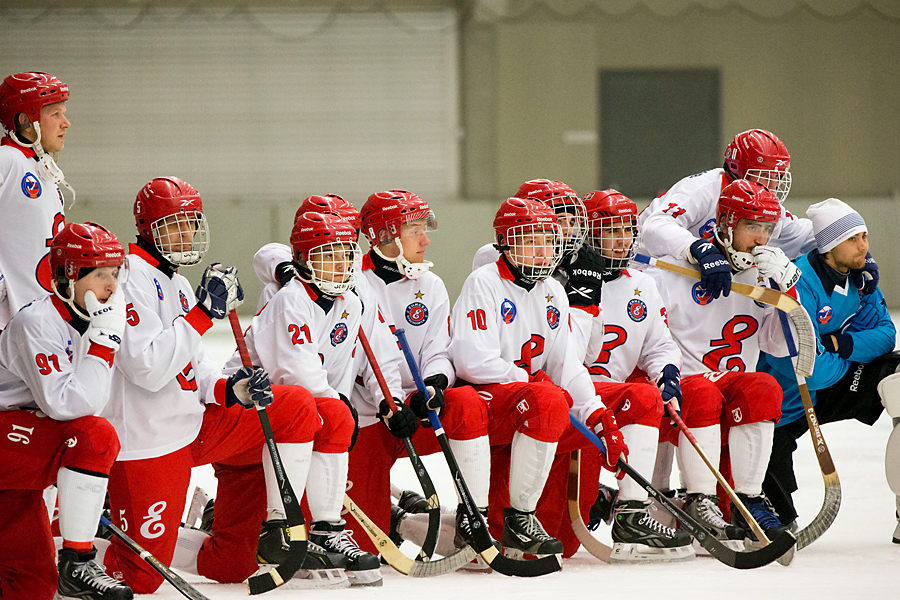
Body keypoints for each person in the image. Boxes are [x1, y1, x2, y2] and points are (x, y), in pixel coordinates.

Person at [99, 177, 322, 593]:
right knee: (144, 579)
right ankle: (78, 542)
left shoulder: (179, 283)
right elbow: (146, 367)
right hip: (151, 438)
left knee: (292, 404)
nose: (185, 234)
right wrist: (203, 313)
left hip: (196, 424)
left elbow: (196, 367)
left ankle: (278, 524)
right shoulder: (126, 277)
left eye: (191, 223)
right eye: (173, 224)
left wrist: (231, 389)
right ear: (147, 228)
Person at [448, 197, 629, 557]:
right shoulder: (483, 282)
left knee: (551, 400)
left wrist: (597, 414)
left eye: (548, 240)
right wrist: (527, 381)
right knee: (547, 399)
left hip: (523, 401)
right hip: (478, 402)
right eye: (532, 240)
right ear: (506, 243)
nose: (543, 250)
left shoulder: (553, 292)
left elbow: (566, 365)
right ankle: (474, 515)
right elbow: (470, 361)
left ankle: (520, 519)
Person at [228, 210, 386, 586]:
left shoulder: (348, 303)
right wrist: (339, 406)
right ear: (302, 259)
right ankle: (279, 528)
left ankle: (326, 529)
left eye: (346, 253)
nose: (340, 264)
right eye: (328, 255)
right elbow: (298, 376)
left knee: (334, 413)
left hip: (288, 416)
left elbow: (330, 379)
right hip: (243, 410)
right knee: (329, 410)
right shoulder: (291, 300)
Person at [643, 179, 801, 541]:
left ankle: (750, 501)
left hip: (730, 395)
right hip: (680, 392)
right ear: (726, 223)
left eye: (767, 228)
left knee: (764, 385)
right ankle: (700, 500)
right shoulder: (671, 270)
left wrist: (786, 295)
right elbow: (648, 340)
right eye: (751, 226)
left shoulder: (765, 275)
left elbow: (780, 347)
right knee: (702, 391)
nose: (761, 239)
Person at [345, 190, 490, 556]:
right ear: (383, 236)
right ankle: (387, 514)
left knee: (467, 402)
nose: (425, 239)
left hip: (418, 408)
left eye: (424, 229)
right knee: (363, 547)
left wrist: (436, 385)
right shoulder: (350, 284)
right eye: (414, 230)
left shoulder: (432, 285)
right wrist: (390, 403)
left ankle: (476, 516)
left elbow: (438, 351)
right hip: (369, 416)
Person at [560, 189, 697, 559]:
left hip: (610, 399)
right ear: (587, 232)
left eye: (626, 229)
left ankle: (630, 513)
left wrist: (667, 373)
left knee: (647, 395)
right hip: (568, 397)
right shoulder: (557, 278)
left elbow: (659, 344)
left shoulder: (643, 283)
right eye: (610, 230)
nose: (621, 239)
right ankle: (609, 499)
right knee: (563, 539)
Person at [0, 222, 131, 600]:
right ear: (66, 278)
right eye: (100, 274)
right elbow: (70, 406)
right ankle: (77, 560)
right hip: (8, 437)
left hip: (21, 447)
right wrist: (105, 342)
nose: (111, 286)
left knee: (32, 588)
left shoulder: (92, 316)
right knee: (96, 434)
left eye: (115, 273)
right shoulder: (38, 322)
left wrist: (84, 485)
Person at [758, 198, 898, 535]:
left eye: (864, 236)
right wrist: (845, 349)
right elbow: (811, 368)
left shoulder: (862, 277)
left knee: (898, 378)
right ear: (829, 245)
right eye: (853, 239)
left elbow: (885, 335)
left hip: (833, 381)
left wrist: (839, 342)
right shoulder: (798, 281)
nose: (863, 246)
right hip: (787, 401)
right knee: (781, 524)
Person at [638, 129, 876, 301]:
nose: (772, 185)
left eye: (777, 177)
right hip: (653, 274)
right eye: (765, 175)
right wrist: (698, 248)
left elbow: (804, 235)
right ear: (737, 169)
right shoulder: (703, 189)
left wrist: (854, 249)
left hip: (705, 283)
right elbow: (653, 225)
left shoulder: (760, 203)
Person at [0, 72, 73, 330]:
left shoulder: (43, 169)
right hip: (11, 324)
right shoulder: (7, 159)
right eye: (55, 114)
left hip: (43, 319)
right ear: (24, 120)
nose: (66, 123)